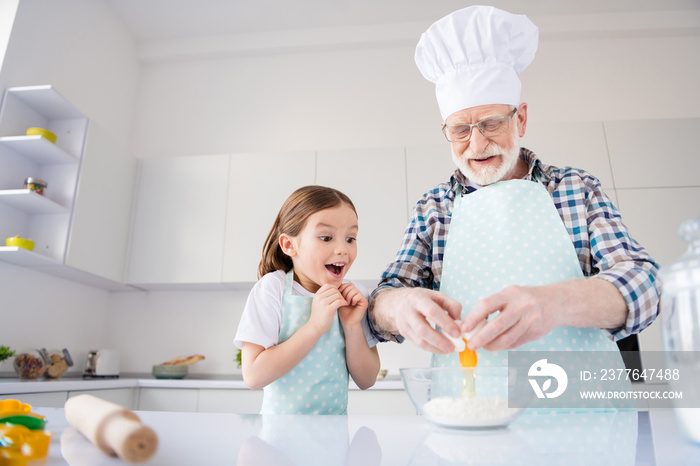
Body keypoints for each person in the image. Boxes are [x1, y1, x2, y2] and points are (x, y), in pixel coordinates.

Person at [368, 6, 660, 367]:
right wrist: (400, 308)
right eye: (460, 130)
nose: (476, 146)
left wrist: (556, 302)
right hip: (472, 407)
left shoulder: (576, 189)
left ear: (520, 118)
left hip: (581, 408)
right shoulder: (434, 209)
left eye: (490, 124)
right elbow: (381, 301)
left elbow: (645, 284)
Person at [235, 185, 380, 414]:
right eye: (326, 237)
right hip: (278, 438)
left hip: (334, 438)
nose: (343, 249)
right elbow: (253, 376)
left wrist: (352, 326)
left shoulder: (355, 297)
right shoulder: (272, 289)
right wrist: (314, 327)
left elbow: (367, 379)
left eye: (350, 238)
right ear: (289, 245)